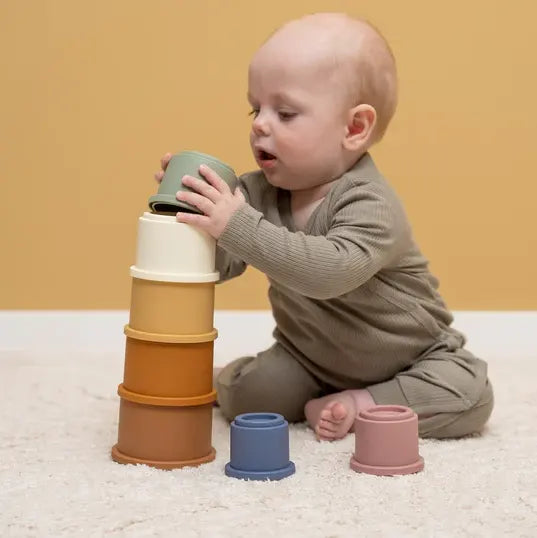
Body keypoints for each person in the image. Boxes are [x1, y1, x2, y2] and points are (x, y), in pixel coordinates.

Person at [154, 12, 493, 440]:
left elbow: (327, 273)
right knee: (253, 397)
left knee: (472, 394)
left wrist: (235, 223)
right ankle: (230, 377)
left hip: (413, 357)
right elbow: (219, 267)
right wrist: (192, 215)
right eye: (256, 108)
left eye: (287, 113)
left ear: (354, 128)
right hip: (308, 358)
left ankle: (364, 402)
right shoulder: (253, 195)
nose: (260, 124)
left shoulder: (369, 202)